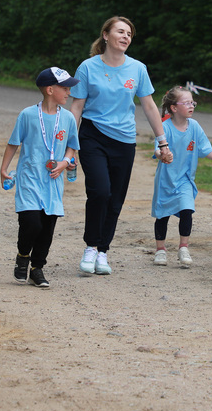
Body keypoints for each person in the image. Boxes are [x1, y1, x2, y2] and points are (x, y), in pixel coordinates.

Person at [69, 16, 173, 276]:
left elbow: (149, 106)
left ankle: (103, 252)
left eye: (129, 34)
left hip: (124, 141)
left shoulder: (137, 68)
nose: (126, 36)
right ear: (106, 35)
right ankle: (90, 247)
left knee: (115, 199)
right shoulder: (87, 67)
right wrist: (70, 145)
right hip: (92, 135)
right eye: (120, 31)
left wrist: (162, 141)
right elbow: (77, 107)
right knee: (100, 192)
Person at [0, 67, 80, 288]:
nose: (69, 92)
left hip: (53, 181)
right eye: (65, 88)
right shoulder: (28, 115)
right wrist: (4, 169)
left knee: (47, 227)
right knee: (31, 223)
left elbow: (72, 146)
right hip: (29, 178)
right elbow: (13, 143)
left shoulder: (68, 118)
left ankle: (37, 268)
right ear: (50, 90)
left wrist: (65, 162)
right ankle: (23, 255)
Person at [151, 86, 212, 268]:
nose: (191, 106)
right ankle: (160, 249)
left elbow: (205, 148)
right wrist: (162, 155)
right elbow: (157, 149)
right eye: (187, 103)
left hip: (185, 180)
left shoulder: (194, 126)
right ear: (174, 108)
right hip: (166, 180)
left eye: (192, 102)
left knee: (187, 210)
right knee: (163, 215)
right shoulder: (164, 127)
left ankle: (183, 248)